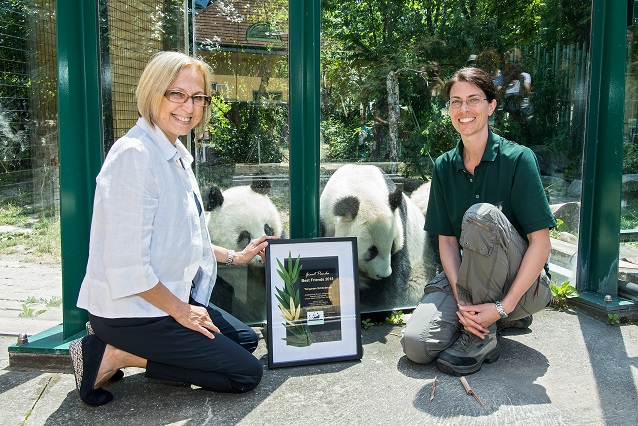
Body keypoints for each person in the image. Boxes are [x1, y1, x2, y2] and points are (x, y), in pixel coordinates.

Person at [68, 51, 276, 406]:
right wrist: (183, 311)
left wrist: (236, 257)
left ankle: (123, 348)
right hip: (133, 311)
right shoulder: (135, 156)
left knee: (244, 340)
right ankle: (113, 354)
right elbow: (127, 266)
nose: (189, 107)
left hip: (163, 298)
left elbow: (182, 240)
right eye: (176, 94)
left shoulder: (174, 153)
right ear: (152, 93)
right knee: (244, 373)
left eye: (197, 97)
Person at [401, 67, 555, 376]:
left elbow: (541, 244)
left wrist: (503, 306)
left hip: (523, 286)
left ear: (491, 105)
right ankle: (483, 319)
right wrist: (462, 300)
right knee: (416, 346)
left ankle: (483, 333)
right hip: (468, 275)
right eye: (455, 101)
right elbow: (446, 242)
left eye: (473, 99)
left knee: (481, 216)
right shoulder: (444, 166)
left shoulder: (518, 159)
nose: (464, 109)